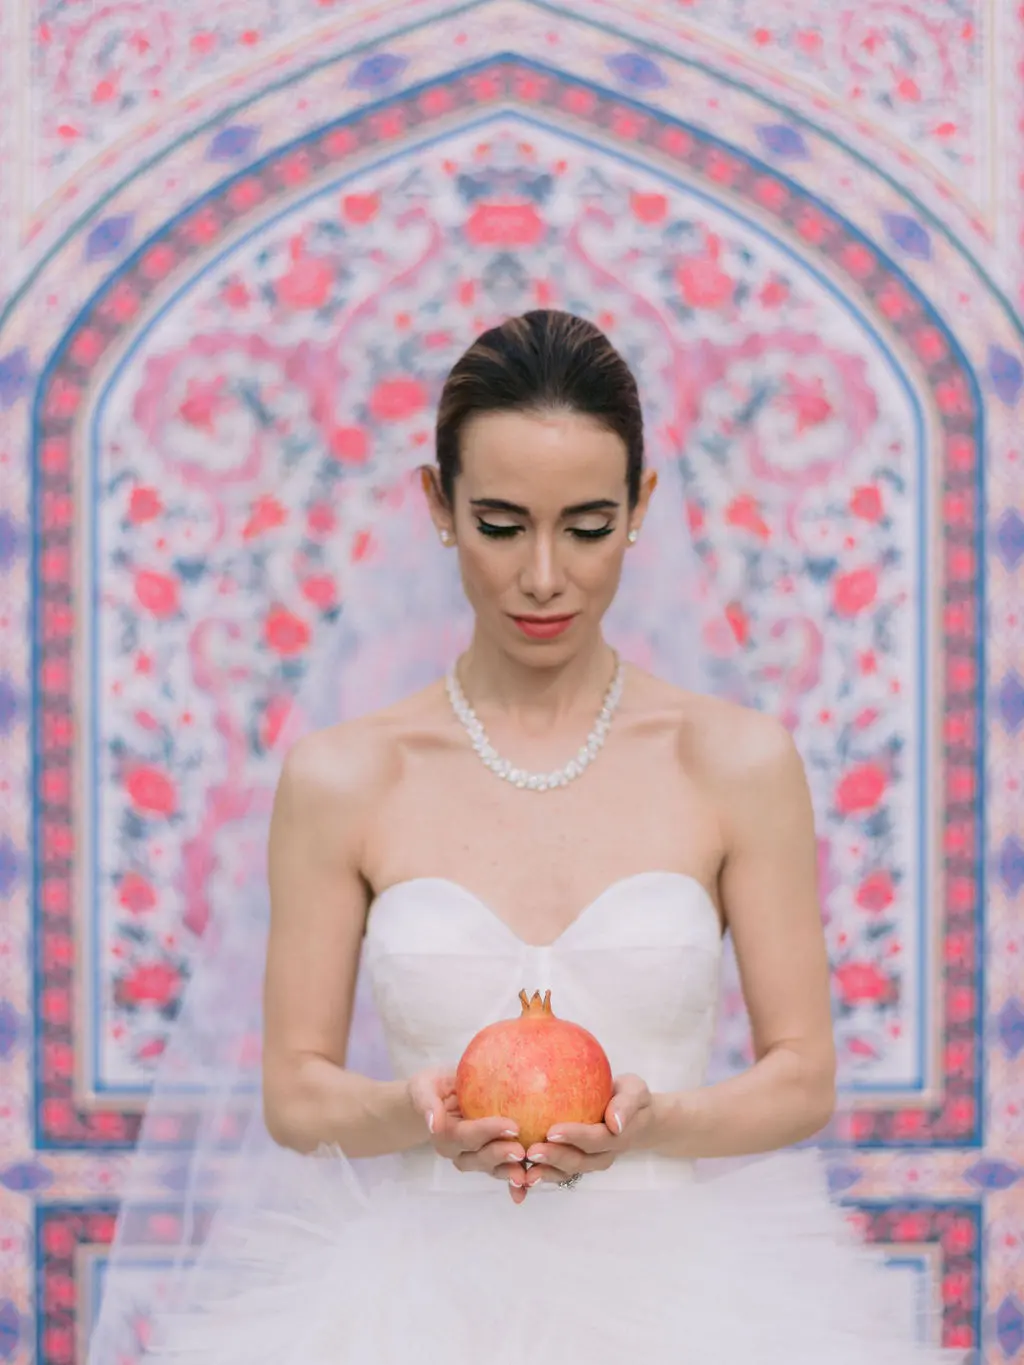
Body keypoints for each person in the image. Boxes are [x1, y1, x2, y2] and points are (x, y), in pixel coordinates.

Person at [98, 311, 948, 1364]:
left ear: (639, 507)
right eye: (501, 524)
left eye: (586, 528)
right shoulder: (343, 775)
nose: (543, 576)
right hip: (404, 1310)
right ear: (437, 506)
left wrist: (655, 1124)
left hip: (690, 1302)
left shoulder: (735, 760)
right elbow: (294, 1089)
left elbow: (801, 1075)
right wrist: (416, 1112)